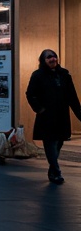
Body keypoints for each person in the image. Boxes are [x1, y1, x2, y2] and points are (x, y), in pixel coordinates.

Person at [25, 49, 81, 184]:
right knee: (50, 144)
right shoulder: (38, 75)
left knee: (59, 143)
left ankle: (52, 169)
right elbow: (30, 94)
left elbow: (72, 97)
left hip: (62, 116)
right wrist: (40, 109)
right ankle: (56, 172)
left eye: (54, 57)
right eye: (49, 57)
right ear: (43, 60)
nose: (53, 59)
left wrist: (79, 114)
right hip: (47, 118)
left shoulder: (64, 75)